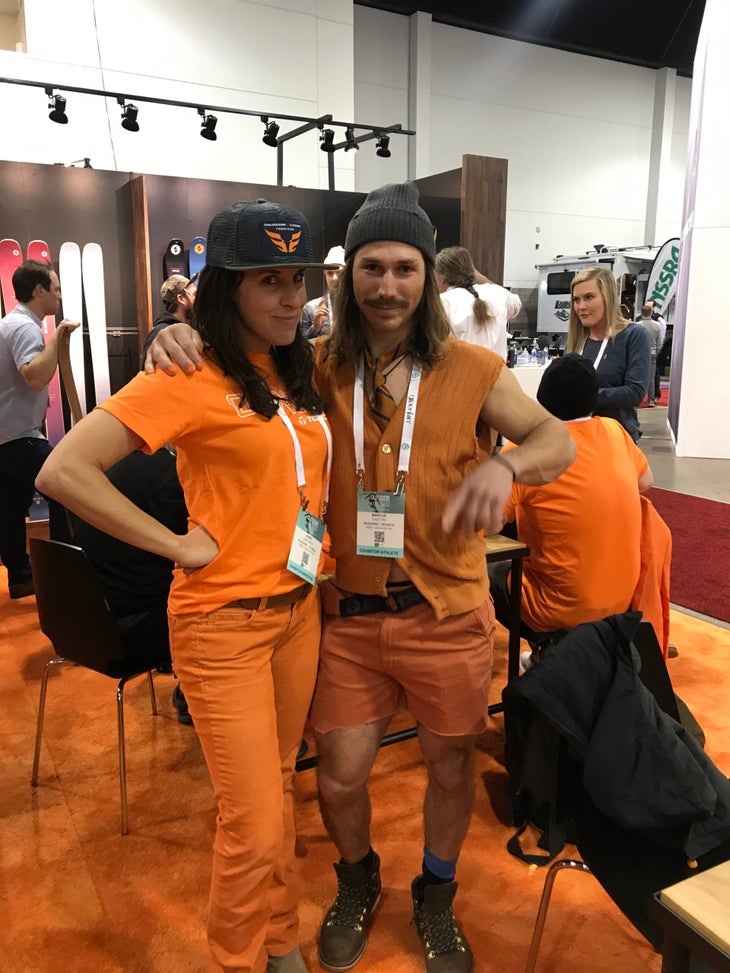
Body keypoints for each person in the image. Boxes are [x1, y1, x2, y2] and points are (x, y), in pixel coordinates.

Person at [144, 181, 576, 973]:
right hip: (342, 619)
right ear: (347, 280)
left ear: (426, 279)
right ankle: (357, 880)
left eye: (404, 268)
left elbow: (559, 441)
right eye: (371, 267)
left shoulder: (476, 371)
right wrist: (167, 342)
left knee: (448, 767)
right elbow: (220, 363)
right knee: (339, 779)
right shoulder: (308, 367)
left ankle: (436, 894)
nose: (387, 285)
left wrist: (508, 468)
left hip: (447, 613)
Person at [37, 198, 338, 973]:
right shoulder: (190, 372)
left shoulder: (296, 366)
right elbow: (64, 470)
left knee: (276, 794)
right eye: (266, 279)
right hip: (223, 624)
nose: (287, 296)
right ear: (227, 287)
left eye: (295, 278)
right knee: (252, 821)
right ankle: (239, 958)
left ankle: (281, 941)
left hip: (297, 612)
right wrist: (175, 543)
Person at [489, 353, 653, 645]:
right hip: (622, 603)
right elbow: (646, 482)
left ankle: (548, 646)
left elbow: (488, 522)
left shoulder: (524, 450)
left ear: (541, 398)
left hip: (555, 611)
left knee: (489, 568)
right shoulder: (616, 432)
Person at [70, 447, 193, 723]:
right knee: (224, 605)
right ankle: (194, 696)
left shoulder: (107, 466)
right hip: (129, 631)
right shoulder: (173, 477)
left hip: (82, 623)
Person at [0, 259, 78, 598]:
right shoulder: (25, 328)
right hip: (19, 436)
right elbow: (34, 377)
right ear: (39, 290)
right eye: (56, 288)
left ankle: (20, 576)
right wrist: (58, 334)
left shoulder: (8, 324)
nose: (59, 296)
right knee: (65, 488)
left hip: (7, 437)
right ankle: (61, 575)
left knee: (11, 508)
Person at [566, 265, 650, 441]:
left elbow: (635, 393)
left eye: (589, 297)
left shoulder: (633, 335)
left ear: (608, 297)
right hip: (578, 439)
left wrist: (585, 396)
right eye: (576, 299)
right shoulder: (578, 339)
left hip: (616, 440)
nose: (581, 306)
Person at [435, 245, 522, 361]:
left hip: (464, 375)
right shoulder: (498, 293)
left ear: (442, 277)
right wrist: (481, 277)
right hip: (499, 375)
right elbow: (516, 304)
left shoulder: (444, 302)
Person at [140, 273, 198, 364]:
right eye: (195, 294)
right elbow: (149, 373)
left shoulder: (192, 328)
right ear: (181, 299)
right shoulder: (160, 333)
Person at [300, 245, 345, 339]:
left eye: (339, 273)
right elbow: (300, 348)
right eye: (330, 273)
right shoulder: (311, 308)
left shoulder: (358, 307)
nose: (334, 278)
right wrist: (315, 328)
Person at [638, 304, 662, 407]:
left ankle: (637, 399)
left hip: (639, 354)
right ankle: (651, 400)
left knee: (638, 377)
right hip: (652, 353)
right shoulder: (657, 325)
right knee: (651, 378)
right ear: (651, 313)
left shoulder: (637, 325)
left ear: (641, 313)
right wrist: (656, 351)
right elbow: (660, 342)